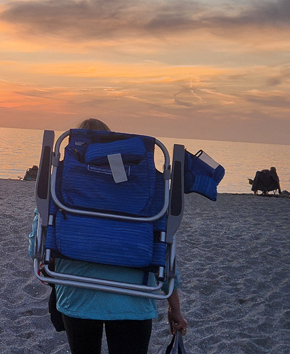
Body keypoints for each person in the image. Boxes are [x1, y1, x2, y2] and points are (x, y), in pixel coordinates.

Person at [33, 118, 188, 354]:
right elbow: (165, 250)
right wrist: (174, 309)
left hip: (77, 295)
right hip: (133, 297)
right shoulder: (149, 187)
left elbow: (36, 245)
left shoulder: (59, 184)